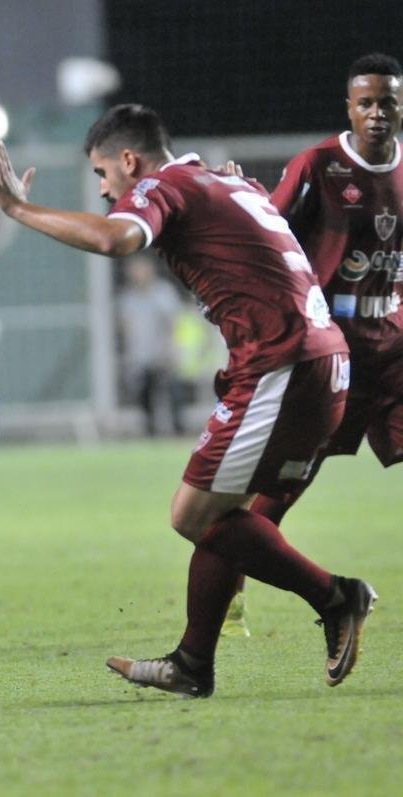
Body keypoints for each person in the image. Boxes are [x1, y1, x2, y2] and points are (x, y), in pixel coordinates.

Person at [0, 103, 375, 698]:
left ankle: (336, 597)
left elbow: (116, 239)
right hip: (320, 363)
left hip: (282, 364)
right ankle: (192, 664)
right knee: (220, 517)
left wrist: (19, 209)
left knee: (193, 516)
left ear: (128, 160)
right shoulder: (225, 181)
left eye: (101, 174)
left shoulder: (166, 184)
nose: (104, 190)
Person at [220, 53, 403, 636]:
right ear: (349, 108)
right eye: (366, 103)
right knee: (283, 486)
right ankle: (230, 582)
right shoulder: (318, 166)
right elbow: (268, 235)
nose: (377, 113)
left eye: (388, 102)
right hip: (333, 354)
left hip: (394, 347)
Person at [115, 253, 187, 435]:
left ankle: (178, 428)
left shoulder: (164, 293)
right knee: (145, 394)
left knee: (172, 390)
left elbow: (174, 323)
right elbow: (125, 327)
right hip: (141, 354)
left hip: (164, 352)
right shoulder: (128, 298)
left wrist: (173, 348)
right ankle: (150, 430)